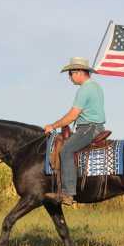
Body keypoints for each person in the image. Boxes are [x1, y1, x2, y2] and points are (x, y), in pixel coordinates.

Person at [44, 57, 106, 206]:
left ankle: (68, 193)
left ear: (80, 72)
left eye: (71, 73)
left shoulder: (84, 90)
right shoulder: (96, 86)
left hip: (89, 128)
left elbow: (72, 116)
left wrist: (52, 126)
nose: (69, 77)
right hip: (97, 126)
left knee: (65, 150)